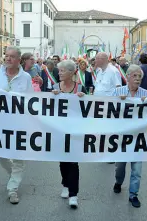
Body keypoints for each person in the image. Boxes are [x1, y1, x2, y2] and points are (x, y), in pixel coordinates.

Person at [0, 46, 33, 204]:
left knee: (19, 157)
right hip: (0, 122)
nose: (8, 59)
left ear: (18, 59)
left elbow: (30, 100)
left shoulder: (25, 77)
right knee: (1, 156)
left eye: (12, 56)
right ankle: (14, 175)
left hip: (19, 123)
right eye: (6, 56)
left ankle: (12, 189)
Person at [112, 64, 147, 208]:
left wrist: (146, 105)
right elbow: (107, 113)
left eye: (139, 76)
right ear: (127, 76)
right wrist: (117, 102)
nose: (137, 79)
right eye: (134, 76)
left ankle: (133, 195)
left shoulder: (146, 94)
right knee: (120, 166)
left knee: (137, 168)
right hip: (122, 137)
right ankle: (118, 181)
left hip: (138, 137)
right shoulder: (117, 92)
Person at [52, 60, 87, 209]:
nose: (59, 73)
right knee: (63, 161)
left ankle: (73, 194)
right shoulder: (54, 87)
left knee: (73, 162)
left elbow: (89, 109)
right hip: (59, 131)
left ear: (72, 73)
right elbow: (46, 109)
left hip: (75, 131)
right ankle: (65, 184)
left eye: (62, 71)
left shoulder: (80, 88)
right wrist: (52, 97)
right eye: (59, 71)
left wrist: (84, 98)